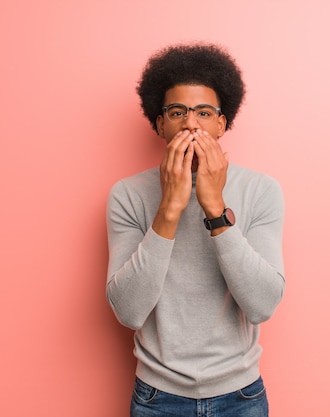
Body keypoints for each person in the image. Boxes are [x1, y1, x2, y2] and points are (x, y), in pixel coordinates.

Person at [106, 42, 285, 417]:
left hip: (241, 397)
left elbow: (263, 304)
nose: (191, 124)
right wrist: (170, 207)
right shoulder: (127, 195)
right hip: (157, 397)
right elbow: (128, 311)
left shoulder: (261, 190)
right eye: (177, 112)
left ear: (222, 123)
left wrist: (214, 208)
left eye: (204, 113)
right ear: (160, 124)